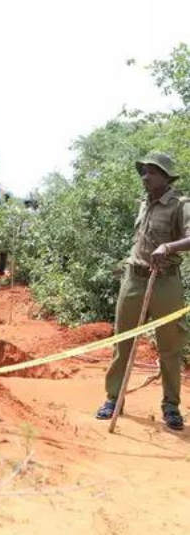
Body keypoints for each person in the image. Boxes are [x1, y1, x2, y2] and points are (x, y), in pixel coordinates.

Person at [96, 152, 190, 431]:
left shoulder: (180, 205)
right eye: (143, 171)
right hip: (134, 279)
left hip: (165, 281)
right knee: (123, 340)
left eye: (151, 172)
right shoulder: (143, 204)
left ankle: (171, 406)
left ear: (165, 176)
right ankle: (114, 398)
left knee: (170, 347)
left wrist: (169, 247)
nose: (145, 177)